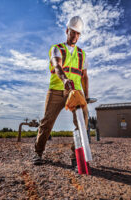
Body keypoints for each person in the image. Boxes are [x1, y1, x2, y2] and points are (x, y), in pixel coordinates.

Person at [33, 16, 89, 168]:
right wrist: (64, 80)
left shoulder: (82, 54)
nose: (75, 36)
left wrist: (87, 96)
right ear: (67, 31)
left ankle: (75, 155)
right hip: (57, 90)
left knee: (83, 121)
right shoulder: (57, 48)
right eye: (73, 32)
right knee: (47, 122)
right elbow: (57, 67)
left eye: (78, 33)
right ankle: (38, 152)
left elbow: (84, 76)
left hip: (76, 92)